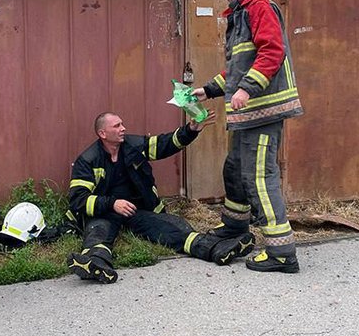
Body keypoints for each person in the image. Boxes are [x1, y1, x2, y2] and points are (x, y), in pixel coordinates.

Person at [192, 0, 304, 273]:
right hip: (247, 113)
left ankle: (281, 253)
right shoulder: (241, 12)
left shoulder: (259, 6)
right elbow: (240, 65)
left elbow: (272, 51)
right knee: (234, 169)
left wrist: (246, 90)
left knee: (259, 178)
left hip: (263, 111)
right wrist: (208, 90)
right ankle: (235, 227)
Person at [65, 111, 256, 284]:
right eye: (117, 126)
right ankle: (95, 264)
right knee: (99, 232)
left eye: (122, 124)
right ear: (102, 134)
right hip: (105, 212)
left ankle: (218, 249)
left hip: (135, 211)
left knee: (171, 228)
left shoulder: (133, 146)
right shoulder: (88, 160)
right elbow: (78, 199)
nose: (123, 128)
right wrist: (112, 203)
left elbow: (164, 144)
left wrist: (190, 130)